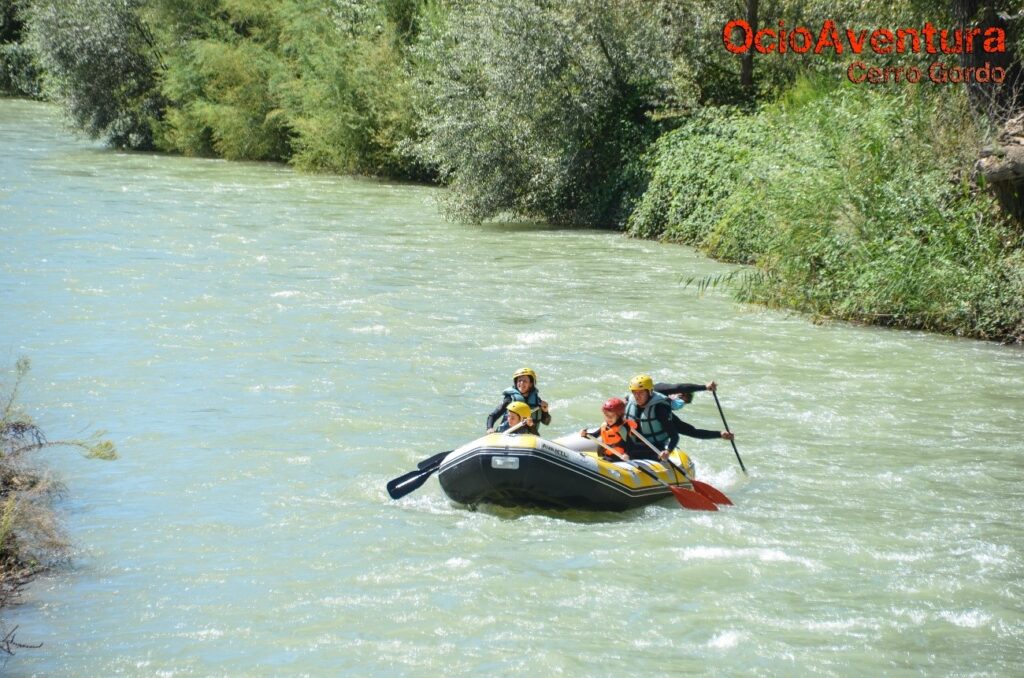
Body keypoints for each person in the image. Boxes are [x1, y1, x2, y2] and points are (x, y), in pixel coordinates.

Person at [625, 374, 734, 460]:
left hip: (654, 446)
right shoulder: (656, 391)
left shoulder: (661, 410)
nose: (637, 396)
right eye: (635, 393)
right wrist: (705, 387)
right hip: (634, 445)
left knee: (688, 430)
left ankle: (721, 434)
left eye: (640, 393)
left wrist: (720, 435)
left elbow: (689, 432)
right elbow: (678, 387)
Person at [485, 367, 551, 435]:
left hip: (528, 436)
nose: (521, 383)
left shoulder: (537, 401)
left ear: (531, 384)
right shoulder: (509, 399)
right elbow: (493, 416)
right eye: (519, 381)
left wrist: (545, 411)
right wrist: (489, 428)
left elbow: (546, 422)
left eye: (525, 381)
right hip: (507, 434)